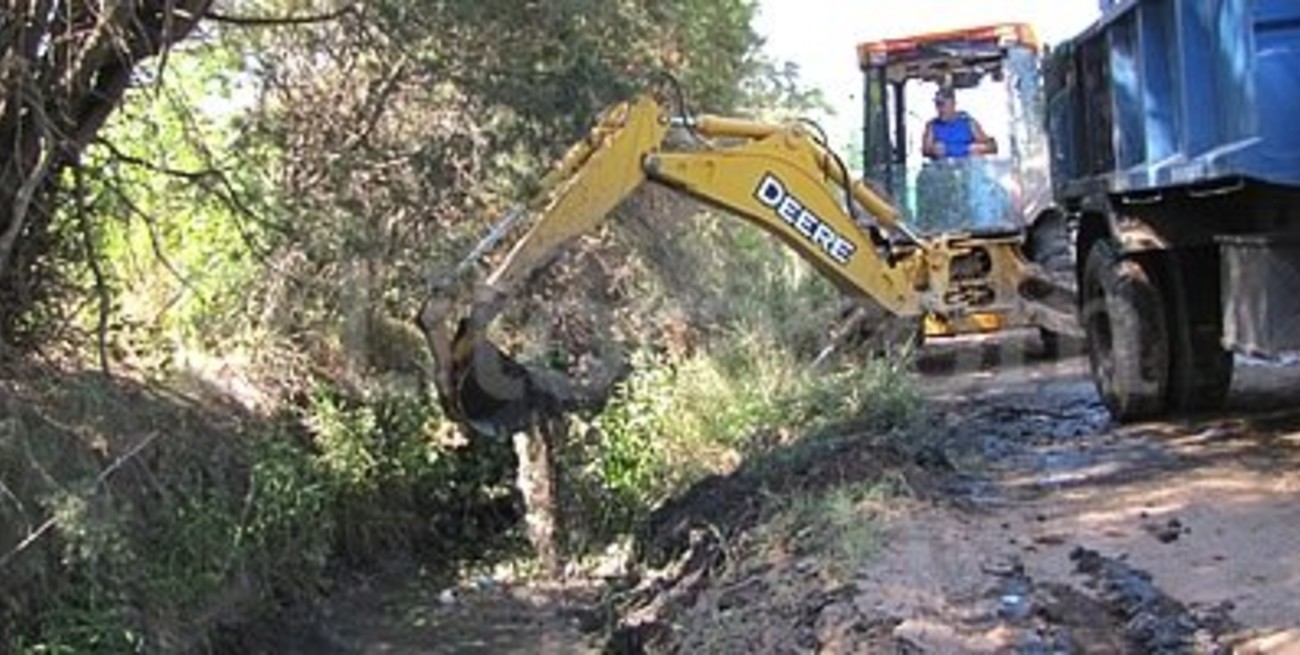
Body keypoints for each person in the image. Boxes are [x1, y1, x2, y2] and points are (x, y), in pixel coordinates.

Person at [922, 88, 997, 159]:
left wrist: (981, 148)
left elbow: (992, 147)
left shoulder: (968, 123)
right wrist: (932, 150)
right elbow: (925, 150)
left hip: (967, 166)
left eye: (943, 104)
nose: (940, 109)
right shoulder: (932, 126)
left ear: (953, 104)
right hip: (943, 168)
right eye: (937, 105)